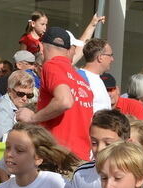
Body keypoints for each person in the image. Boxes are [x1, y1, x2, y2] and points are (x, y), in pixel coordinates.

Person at [23, 26, 93, 160]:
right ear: (68, 51)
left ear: (41, 48)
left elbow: (64, 101)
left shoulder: (51, 65)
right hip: (80, 159)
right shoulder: (80, 79)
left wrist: (32, 118)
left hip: (57, 157)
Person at [0, 69, 35, 139]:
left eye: (29, 95)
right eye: (20, 94)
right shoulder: (3, 107)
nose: (25, 98)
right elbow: (3, 137)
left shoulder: (19, 104)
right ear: (9, 91)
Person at [81, 39, 113, 113]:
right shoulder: (81, 78)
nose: (112, 59)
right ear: (100, 57)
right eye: (110, 55)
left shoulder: (97, 78)